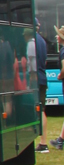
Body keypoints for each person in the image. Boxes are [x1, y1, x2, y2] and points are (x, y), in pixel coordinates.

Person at [34, 21, 49, 151]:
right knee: (42, 109)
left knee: (37, 110)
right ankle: (43, 142)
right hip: (43, 77)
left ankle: (42, 144)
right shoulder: (43, 41)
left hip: (34, 78)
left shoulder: (31, 41)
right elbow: (45, 61)